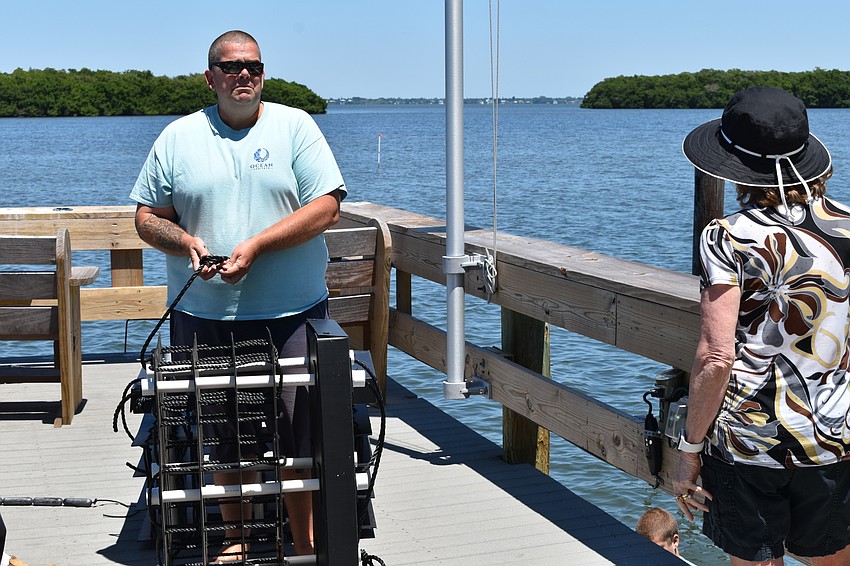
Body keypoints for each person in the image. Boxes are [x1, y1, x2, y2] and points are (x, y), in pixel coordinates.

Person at [130, 29, 346, 562]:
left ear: (263, 73)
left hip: (293, 314)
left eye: (251, 65)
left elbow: (327, 207)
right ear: (211, 77)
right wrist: (184, 242)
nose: (242, 74)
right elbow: (144, 218)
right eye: (230, 67)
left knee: (302, 439)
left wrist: (256, 246)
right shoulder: (177, 137)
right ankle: (236, 538)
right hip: (204, 316)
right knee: (225, 435)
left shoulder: (297, 126)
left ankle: (304, 543)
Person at [673, 86, 850, 565]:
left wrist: (689, 449)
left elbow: (717, 354)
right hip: (833, 434)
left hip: (749, 441)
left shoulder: (726, 236)